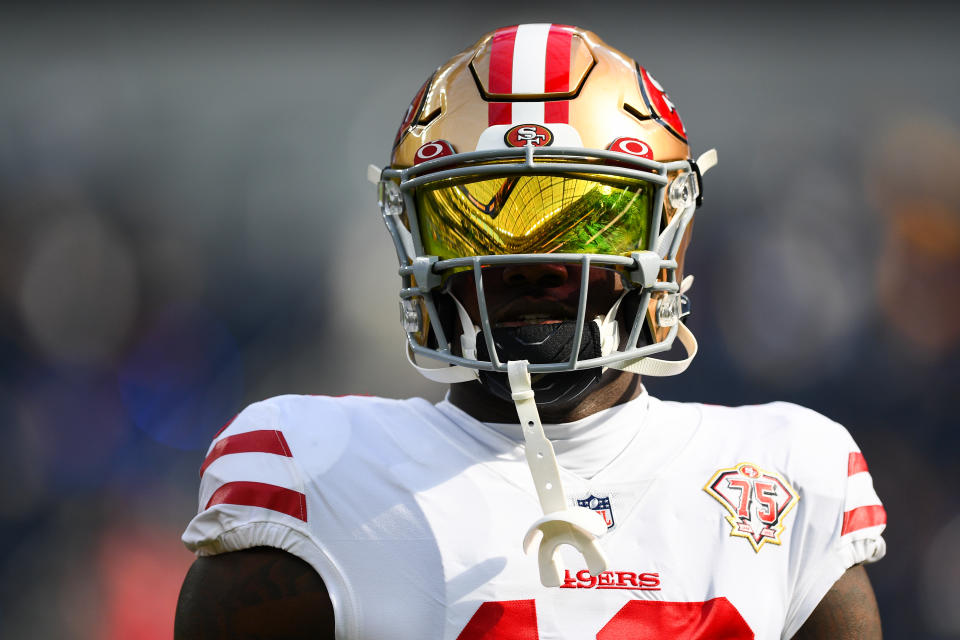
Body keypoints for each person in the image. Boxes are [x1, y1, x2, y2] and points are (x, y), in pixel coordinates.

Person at [175, 24, 886, 639]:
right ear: (417, 244)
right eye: (475, 219)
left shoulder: (786, 478)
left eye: (587, 216)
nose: (529, 263)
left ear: (668, 230)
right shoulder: (315, 477)